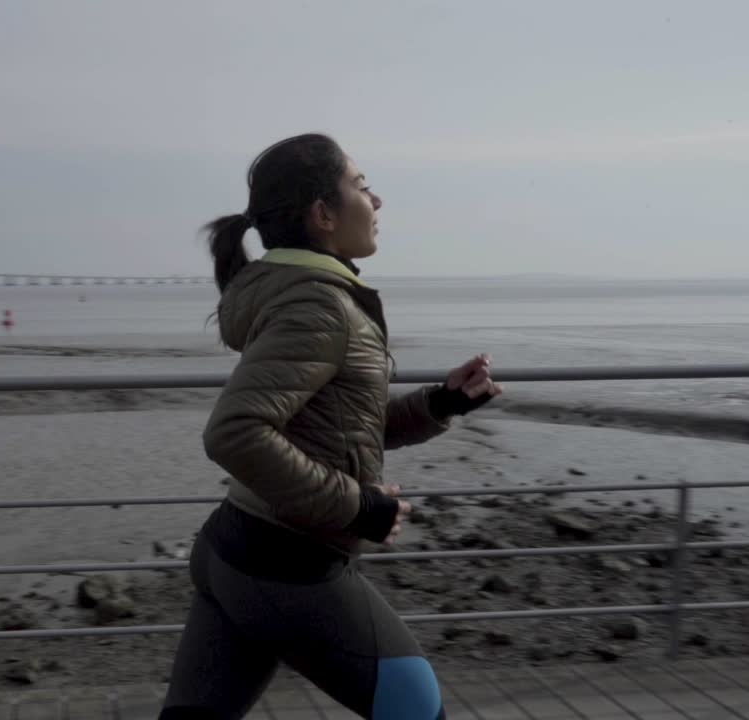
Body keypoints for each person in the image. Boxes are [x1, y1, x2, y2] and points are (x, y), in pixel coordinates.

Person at [160, 133, 503, 720]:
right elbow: (235, 431)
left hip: (236, 551)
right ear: (322, 215)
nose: (378, 201)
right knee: (417, 709)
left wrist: (442, 404)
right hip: (285, 566)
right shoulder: (318, 306)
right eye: (363, 186)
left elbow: (342, 426)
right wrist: (357, 507)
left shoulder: (302, 293)